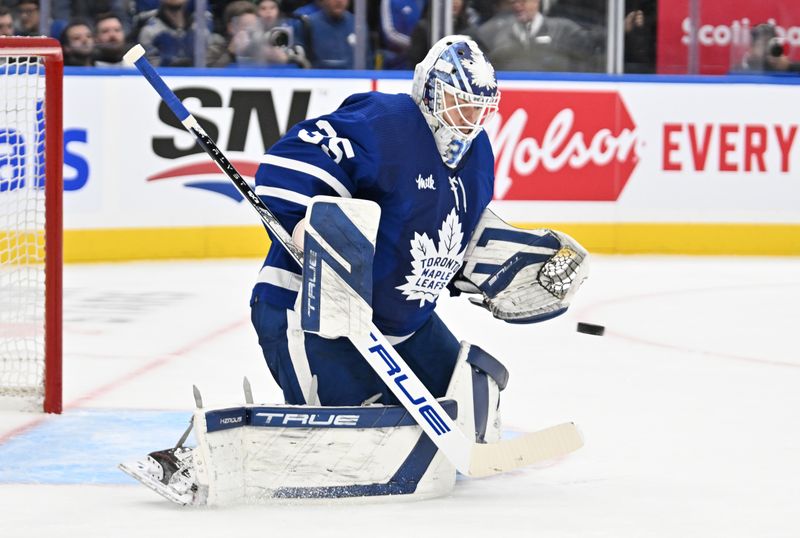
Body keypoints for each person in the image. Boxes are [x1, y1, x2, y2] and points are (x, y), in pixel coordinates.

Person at [122, 35, 588, 505]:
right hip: (311, 312)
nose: (466, 121)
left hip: (405, 324)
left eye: (477, 110)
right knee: (345, 444)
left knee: (475, 400)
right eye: (456, 103)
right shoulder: (388, 123)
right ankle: (197, 460)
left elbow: (451, 240)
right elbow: (290, 160)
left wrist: (493, 272)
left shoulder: (478, 157)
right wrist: (308, 220)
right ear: (429, 90)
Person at [476, 0, 594, 72]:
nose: (518, 6)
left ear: (536, 1)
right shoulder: (496, 33)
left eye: (523, 1)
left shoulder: (563, 30)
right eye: (514, 2)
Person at [294, 0, 357, 69]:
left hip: (353, 78)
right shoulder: (307, 25)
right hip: (317, 77)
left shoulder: (357, 25)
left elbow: (367, 61)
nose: (339, 1)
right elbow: (298, 62)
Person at [736, 23, 800, 74]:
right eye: (763, 44)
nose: (767, 49)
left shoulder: (781, 65)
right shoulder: (740, 69)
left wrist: (788, 66)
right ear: (751, 48)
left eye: (770, 44)